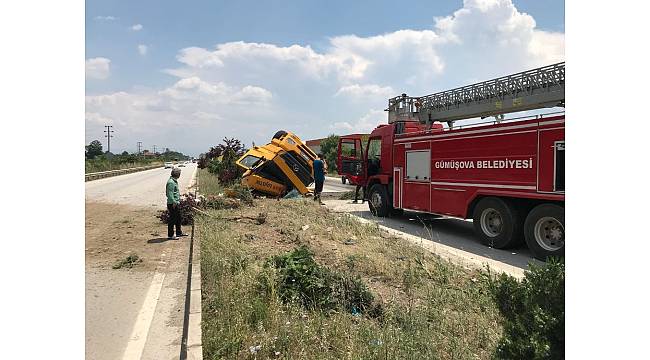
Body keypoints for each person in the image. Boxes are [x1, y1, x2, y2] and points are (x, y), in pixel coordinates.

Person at [166, 167, 188, 240]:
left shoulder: (174, 181)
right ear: (177, 174)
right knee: (172, 219)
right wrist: (174, 202)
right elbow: (169, 194)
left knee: (178, 218)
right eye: (179, 174)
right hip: (173, 204)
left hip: (176, 203)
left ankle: (179, 232)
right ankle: (170, 235)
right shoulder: (171, 182)